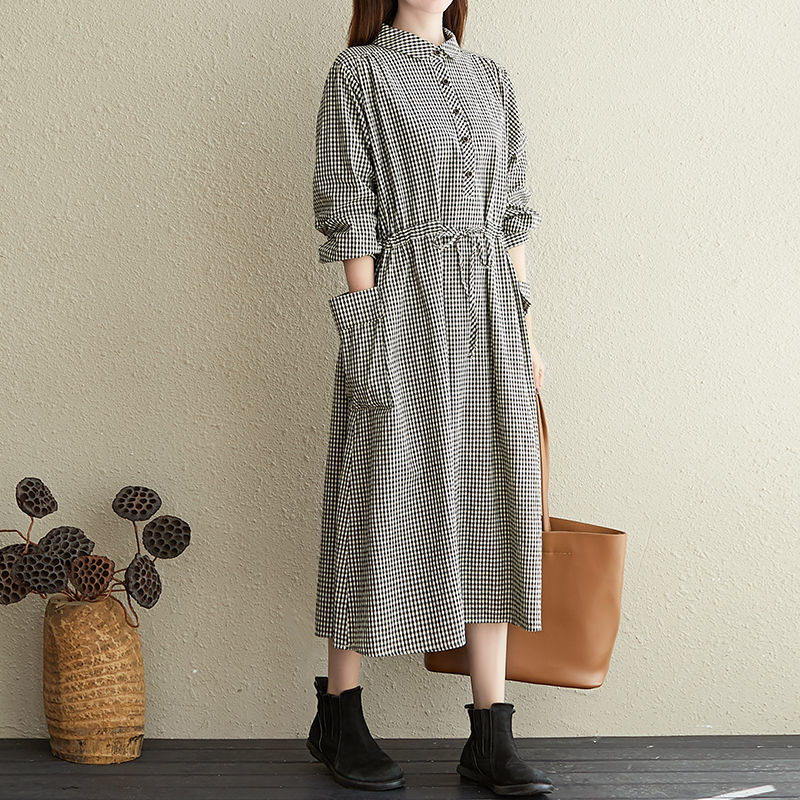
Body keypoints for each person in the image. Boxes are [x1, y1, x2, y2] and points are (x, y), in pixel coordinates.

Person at [306, 1, 553, 795]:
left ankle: (490, 735)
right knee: (377, 499)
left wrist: (526, 334)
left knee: (492, 504)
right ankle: (339, 715)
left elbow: (512, 213)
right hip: (402, 308)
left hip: (491, 314)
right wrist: (366, 333)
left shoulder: (490, 79)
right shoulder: (359, 73)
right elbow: (349, 208)